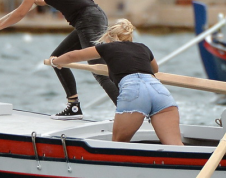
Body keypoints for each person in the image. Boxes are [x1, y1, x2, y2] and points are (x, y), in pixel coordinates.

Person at [51, 19, 182, 145]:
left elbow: (72, 55)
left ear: (109, 37)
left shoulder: (107, 47)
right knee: (175, 145)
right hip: (159, 90)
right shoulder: (143, 47)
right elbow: (155, 69)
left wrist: (55, 61)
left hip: (134, 92)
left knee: (119, 144)